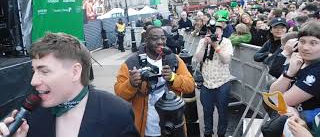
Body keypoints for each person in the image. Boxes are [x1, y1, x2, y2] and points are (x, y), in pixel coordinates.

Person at [0, 32, 139, 137]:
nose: (33, 81)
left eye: (44, 71)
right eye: (34, 71)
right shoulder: (30, 117)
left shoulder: (117, 112)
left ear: (75, 72)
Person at [114, 26, 195, 137]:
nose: (160, 42)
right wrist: (131, 84)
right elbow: (119, 95)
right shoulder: (131, 63)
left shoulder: (174, 59)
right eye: (155, 38)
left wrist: (173, 78)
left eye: (163, 38)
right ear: (146, 40)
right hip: (146, 130)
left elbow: (190, 86)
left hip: (173, 128)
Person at [269, 21, 320, 127]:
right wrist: (290, 73)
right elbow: (272, 95)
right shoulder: (298, 61)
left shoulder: (317, 70)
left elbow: (282, 100)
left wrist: (286, 106)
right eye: (302, 41)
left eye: (313, 43)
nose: (305, 47)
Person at [194, 22, 234, 137]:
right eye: (211, 30)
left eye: (217, 30)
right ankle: (208, 133)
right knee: (207, 111)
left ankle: (221, 134)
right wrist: (204, 44)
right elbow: (198, 59)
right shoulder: (203, 41)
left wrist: (216, 46)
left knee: (222, 112)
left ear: (221, 31)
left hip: (222, 83)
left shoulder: (226, 42)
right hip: (207, 84)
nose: (215, 33)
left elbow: (226, 60)